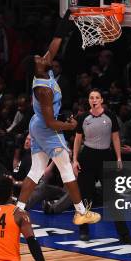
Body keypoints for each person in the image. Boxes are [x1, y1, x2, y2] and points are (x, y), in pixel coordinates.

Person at [15, 12, 101, 227]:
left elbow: (55, 42)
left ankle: (18, 210)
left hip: (38, 124)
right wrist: (70, 126)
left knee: (36, 170)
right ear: (37, 67)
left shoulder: (44, 70)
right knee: (66, 168)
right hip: (45, 127)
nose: (44, 57)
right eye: (39, 59)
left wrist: (66, 18)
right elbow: (51, 123)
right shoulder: (42, 89)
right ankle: (80, 212)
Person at [73, 90, 131, 243]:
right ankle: (84, 231)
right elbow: (77, 139)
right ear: (89, 100)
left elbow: (115, 137)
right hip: (87, 157)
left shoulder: (110, 116)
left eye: (97, 97)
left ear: (101, 100)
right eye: (91, 97)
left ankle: (124, 234)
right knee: (85, 195)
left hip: (106, 156)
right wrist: (75, 160)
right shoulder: (82, 118)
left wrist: (119, 157)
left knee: (113, 197)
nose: (94, 100)